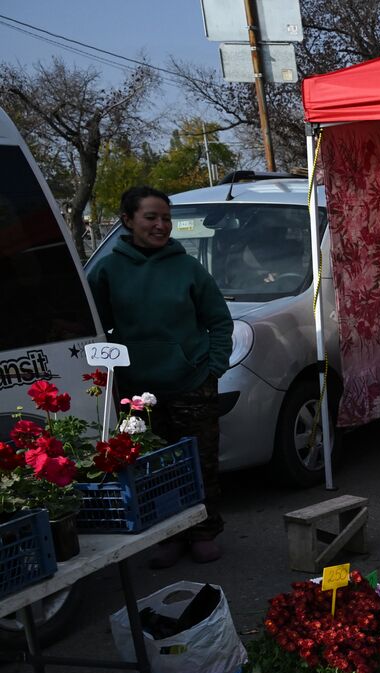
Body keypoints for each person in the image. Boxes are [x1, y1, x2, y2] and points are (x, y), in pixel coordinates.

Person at [88, 186, 233, 566]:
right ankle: (167, 534)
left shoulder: (187, 268)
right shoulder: (107, 269)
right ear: (128, 220)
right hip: (138, 390)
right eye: (151, 217)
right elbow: (95, 328)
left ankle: (203, 531)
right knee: (153, 466)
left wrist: (212, 367)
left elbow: (219, 321)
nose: (161, 225)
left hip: (191, 383)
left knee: (202, 462)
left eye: (166, 218)